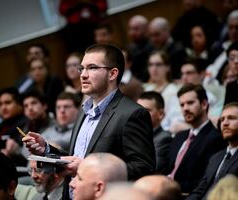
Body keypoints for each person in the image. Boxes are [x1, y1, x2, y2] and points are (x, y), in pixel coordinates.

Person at [22, 44, 155, 181]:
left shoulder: (132, 114)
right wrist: (46, 150)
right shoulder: (84, 110)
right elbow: (78, 157)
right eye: (82, 68)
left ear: (112, 74)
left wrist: (88, 167)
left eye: (92, 68)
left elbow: (143, 168)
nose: (83, 75)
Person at [187, 102, 238, 200]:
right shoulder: (216, 157)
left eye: (231, 118)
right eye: (222, 119)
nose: (225, 123)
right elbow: (199, 191)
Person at [163, 84, 225, 194]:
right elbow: (166, 168)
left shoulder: (215, 138)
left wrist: (171, 186)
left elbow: (205, 180)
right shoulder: (179, 136)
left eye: (190, 103)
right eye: (182, 105)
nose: (185, 108)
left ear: (204, 104)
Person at [137, 91, 172, 172]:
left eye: (146, 110)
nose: (140, 114)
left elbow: (153, 168)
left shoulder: (164, 138)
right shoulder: (132, 134)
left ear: (160, 114)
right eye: (138, 109)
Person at [127, 15, 153, 82]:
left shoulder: (153, 46)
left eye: (136, 29)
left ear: (146, 29)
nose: (132, 32)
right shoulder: (129, 48)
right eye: (130, 29)